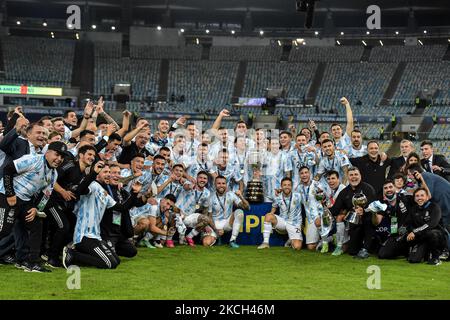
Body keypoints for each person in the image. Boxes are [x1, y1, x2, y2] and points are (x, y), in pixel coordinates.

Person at [0, 141, 67, 272]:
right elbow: (8, 169)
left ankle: (30, 262)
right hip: (5, 195)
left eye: (62, 157)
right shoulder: (33, 160)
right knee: (4, 229)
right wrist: (10, 193)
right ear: (47, 152)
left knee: (36, 224)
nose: (59, 159)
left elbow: (46, 195)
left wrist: (37, 209)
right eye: (57, 154)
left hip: (25, 200)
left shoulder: (54, 174)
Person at [63, 162, 142, 269]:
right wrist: (92, 173)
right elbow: (80, 190)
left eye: (109, 172)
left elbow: (121, 208)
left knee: (116, 261)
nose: (108, 174)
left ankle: (78, 255)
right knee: (110, 264)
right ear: (97, 174)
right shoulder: (92, 185)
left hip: (96, 236)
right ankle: (72, 254)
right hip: (84, 236)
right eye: (105, 172)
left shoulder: (104, 192)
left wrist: (134, 193)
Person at [330, 167, 376, 258]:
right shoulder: (344, 192)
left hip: (369, 220)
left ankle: (366, 249)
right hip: (354, 223)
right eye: (351, 175)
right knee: (352, 251)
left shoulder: (368, 188)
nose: (353, 177)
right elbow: (335, 209)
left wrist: (364, 210)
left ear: (360, 176)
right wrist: (324, 210)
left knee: (368, 219)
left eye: (356, 174)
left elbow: (374, 206)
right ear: (347, 177)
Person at [405, 187, 448, 265]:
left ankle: (436, 257)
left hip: (437, 236)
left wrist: (415, 232)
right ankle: (426, 253)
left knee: (432, 233)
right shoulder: (413, 209)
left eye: (422, 195)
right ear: (414, 198)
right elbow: (408, 224)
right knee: (413, 260)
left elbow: (432, 224)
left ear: (427, 197)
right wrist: (411, 232)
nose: (419, 198)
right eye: (417, 196)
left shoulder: (434, 207)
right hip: (422, 237)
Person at [257, 177, 303, 250]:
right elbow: (274, 207)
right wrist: (269, 217)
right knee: (268, 216)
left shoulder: (298, 196)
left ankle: (290, 241)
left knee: (297, 247)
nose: (287, 187)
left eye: (289, 185)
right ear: (281, 186)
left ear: (291, 186)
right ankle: (265, 243)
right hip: (283, 222)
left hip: (294, 223)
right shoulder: (277, 197)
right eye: (284, 185)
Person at [208, 176, 250, 248]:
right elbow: (209, 216)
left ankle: (232, 240)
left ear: (226, 184)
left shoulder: (231, 194)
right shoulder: (210, 197)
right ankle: (217, 238)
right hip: (215, 224)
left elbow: (247, 208)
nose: (221, 185)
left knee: (239, 212)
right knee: (207, 243)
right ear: (215, 184)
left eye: (223, 183)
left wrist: (241, 196)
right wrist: (215, 229)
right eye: (219, 183)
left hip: (227, 223)